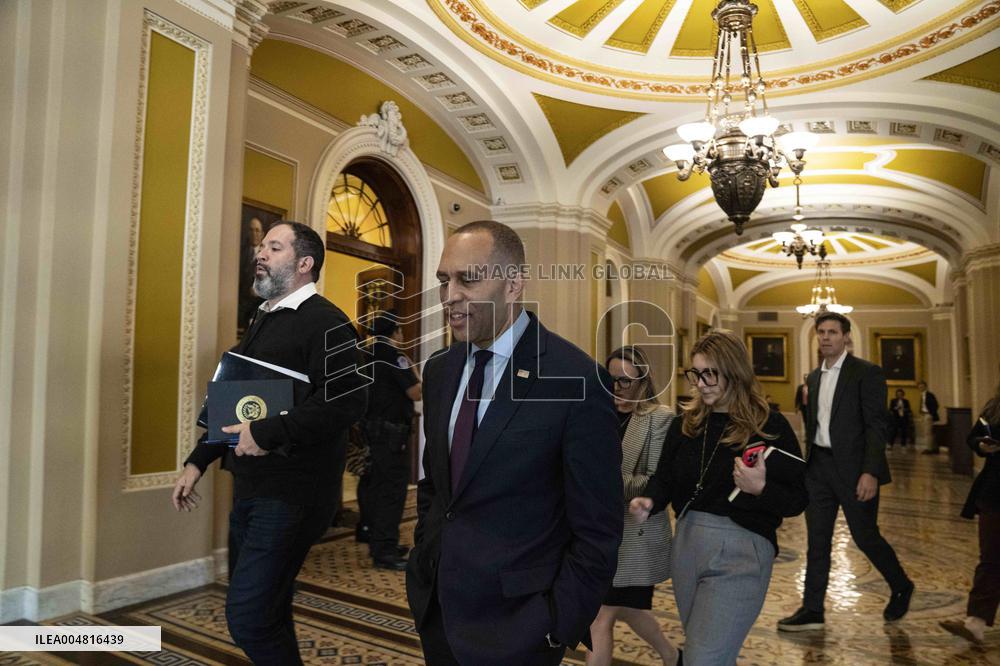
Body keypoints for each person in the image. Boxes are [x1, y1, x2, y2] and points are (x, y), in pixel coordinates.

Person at [405, 220, 623, 666]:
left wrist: (556, 625)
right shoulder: (441, 371)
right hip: (438, 612)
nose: (450, 296)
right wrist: (424, 561)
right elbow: (438, 485)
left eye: (469, 279)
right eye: (444, 281)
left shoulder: (576, 378)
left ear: (513, 284)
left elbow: (598, 528)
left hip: (522, 627)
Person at [171, 222, 367, 665]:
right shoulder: (262, 318)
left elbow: (348, 403)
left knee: (248, 616)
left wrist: (266, 433)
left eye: (273, 247)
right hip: (251, 486)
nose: (259, 254)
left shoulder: (328, 322)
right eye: (261, 246)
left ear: (304, 264)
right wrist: (198, 460)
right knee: (269, 611)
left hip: (294, 494)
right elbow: (240, 400)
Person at [630, 330, 807, 665]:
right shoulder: (686, 423)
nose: (700, 382)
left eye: (709, 373)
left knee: (702, 657)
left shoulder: (769, 424)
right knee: (709, 650)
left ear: (734, 371)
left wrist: (761, 489)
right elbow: (665, 476)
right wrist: (649, 501)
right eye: (695, 373)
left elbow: (798, 499)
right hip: (688, 545)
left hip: (743, 549)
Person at [778, 312, 914, 633]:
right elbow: (815, 426)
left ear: (846, 337)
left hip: (855, 471)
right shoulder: (812, 378)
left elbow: (876, 426)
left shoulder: (866, 373)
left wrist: (870, 472)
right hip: (819, 469)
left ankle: (901, 584)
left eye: (832, 332)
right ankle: (812, 609)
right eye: (821, 332)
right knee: (818, 542)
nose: (825, 337)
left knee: (865, 536)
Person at [587, 346, 679, 666]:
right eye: (611, 380)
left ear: (643, 380)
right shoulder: (596, 414)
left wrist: (600, 482)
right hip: (597, 532)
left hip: (634, 534)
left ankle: (671, 655)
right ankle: (672, 655)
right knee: (624, 609)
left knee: (599, 615)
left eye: (627, 381)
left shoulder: (660, 419)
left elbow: (656, 480)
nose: (619, 389)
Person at [356, 309, 422, 570]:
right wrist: (418, 373)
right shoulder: (396, 357)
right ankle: (385, 550)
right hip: (392, 435)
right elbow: (415, 393)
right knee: (391, 493)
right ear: (395, 331)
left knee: (372, 486)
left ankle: (373, 536)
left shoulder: (365, 354)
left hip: (369, 431)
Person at [940, 381, 1000, 645]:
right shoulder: (994, 407)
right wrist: (981, 445)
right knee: (990, 557)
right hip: (994, 492)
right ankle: (975, 622)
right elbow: (973, 435)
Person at [916, 380, 941, 454]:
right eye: (919, 387)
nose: (921, 388)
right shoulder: (922, 395)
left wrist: (931, 413)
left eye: (922, 386)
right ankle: (932, 447)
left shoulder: (929, 395)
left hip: (928, 415)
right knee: (928, 432)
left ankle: (929, 448)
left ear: (925, 387)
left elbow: (936, 405)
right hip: (924, 414)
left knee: (928, 432)